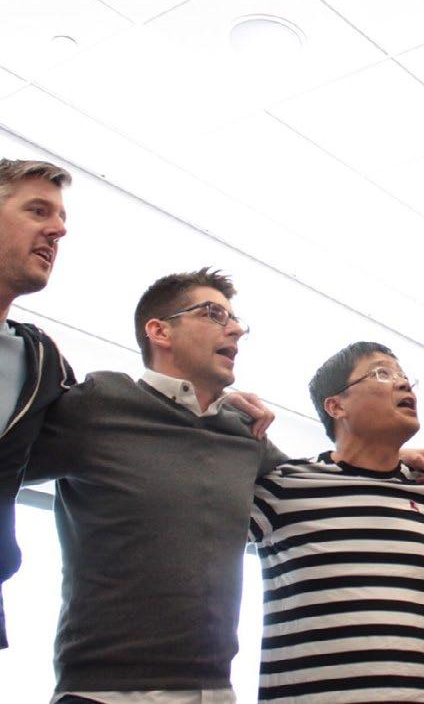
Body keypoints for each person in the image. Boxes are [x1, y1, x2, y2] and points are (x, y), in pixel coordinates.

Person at [26, 268, 287, 703]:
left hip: (216, 690)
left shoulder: (245, 431)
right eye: (214, 314)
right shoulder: (99, 403)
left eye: (236, 320)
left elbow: (316, 487)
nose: (236, 330)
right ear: (160, 331)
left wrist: (395, 459)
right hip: (103, 692)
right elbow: (10, 457)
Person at [249, 341, 424, 703]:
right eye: (382, 373)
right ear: (336, 405)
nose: (403, 383)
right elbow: (196, 531)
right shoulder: (287, 485)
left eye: (404, 376)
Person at [0, 158, 75, 651]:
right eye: (38, 211)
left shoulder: (42, 362)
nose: (59, 230)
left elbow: (122, 430)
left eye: (61, 218)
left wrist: (211, 401)